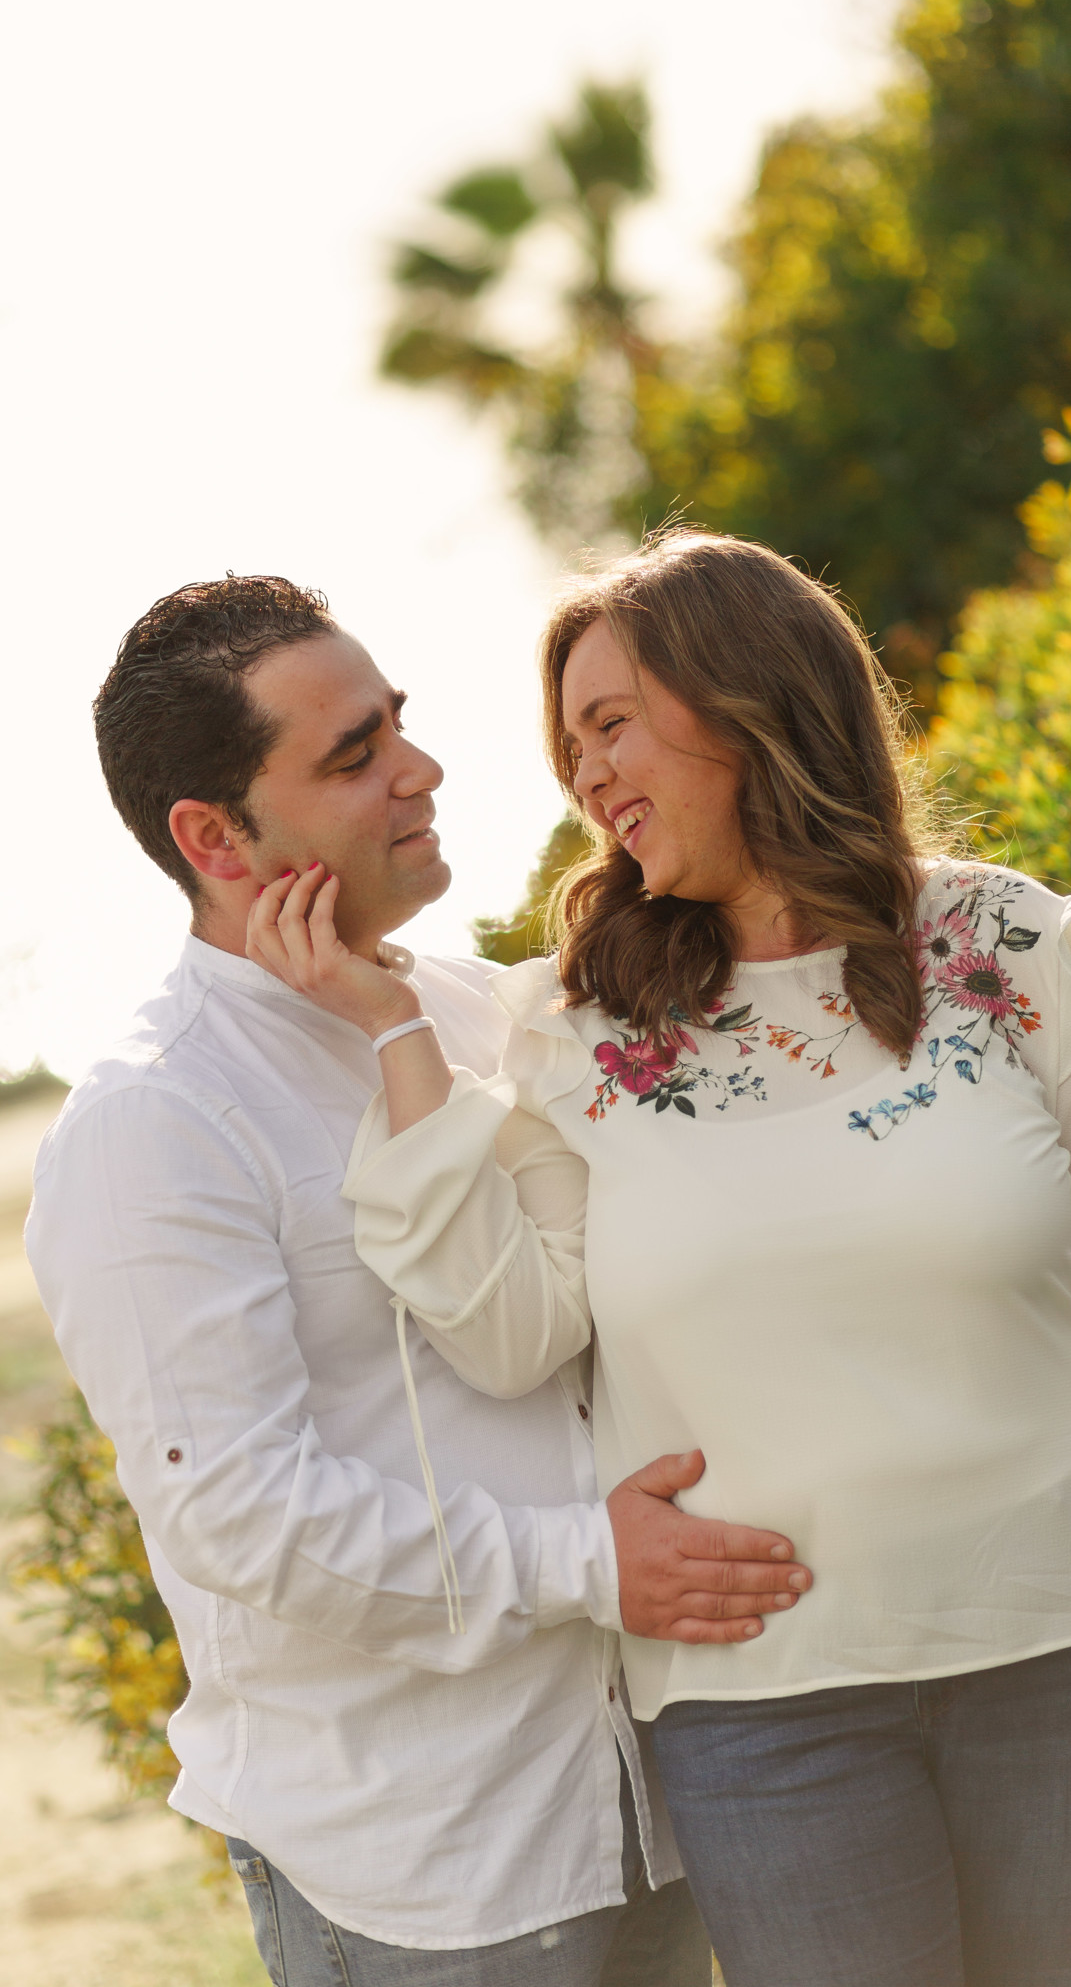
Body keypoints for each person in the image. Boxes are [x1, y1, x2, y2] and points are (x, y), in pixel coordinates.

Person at [248, 531, 1071, 1987]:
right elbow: (511, 1336)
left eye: (611, 722)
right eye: (569, 746)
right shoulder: (576, 1030)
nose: (586, 776)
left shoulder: (1005, 943)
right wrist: (396, 1044)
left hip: (1068, 1663)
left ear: (747, 700)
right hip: (762, 1714)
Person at [27, 572, 856, 1987]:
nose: (422, 769)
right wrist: (592, 1563)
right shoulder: (150, 1126)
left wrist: (1040, 1276)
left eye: (395, 724)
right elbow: (249, 1521)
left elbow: (702, 1225)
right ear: (213, 836)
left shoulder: (481, 1013)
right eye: (353, 756)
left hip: (657, 1802)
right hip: (427, 1871)